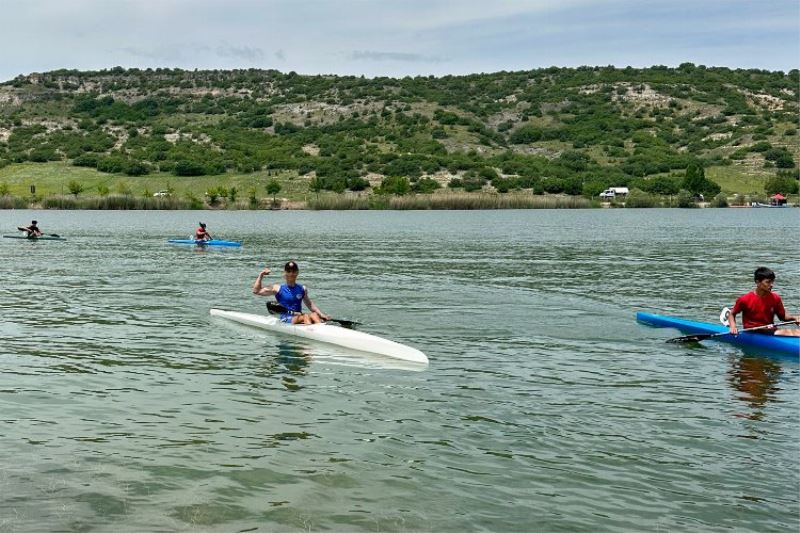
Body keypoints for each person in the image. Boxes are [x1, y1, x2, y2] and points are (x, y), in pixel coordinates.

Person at [728, 267, 800, 337]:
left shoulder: (775, 298)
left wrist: (795, 318)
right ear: (757, 282)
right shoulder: (744, 299)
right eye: (768, 282)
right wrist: (733, 326)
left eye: (772, 281)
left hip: (768, 330)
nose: (771, 285)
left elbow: (783, 317)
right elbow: (732, 314)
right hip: (752, 331)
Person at [252, 261, 330, 325]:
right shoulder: (277, 288)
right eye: (288, 271)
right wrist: (261, 275)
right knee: (306, 316)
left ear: (297, 273)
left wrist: (321, 314)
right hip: (286, 319)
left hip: (299, 316)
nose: (291, 274)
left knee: (314, 315)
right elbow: (256, 291)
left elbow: (310, 305)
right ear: (285, 273)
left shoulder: (302, 288)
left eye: (293, 271)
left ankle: (321, 329)